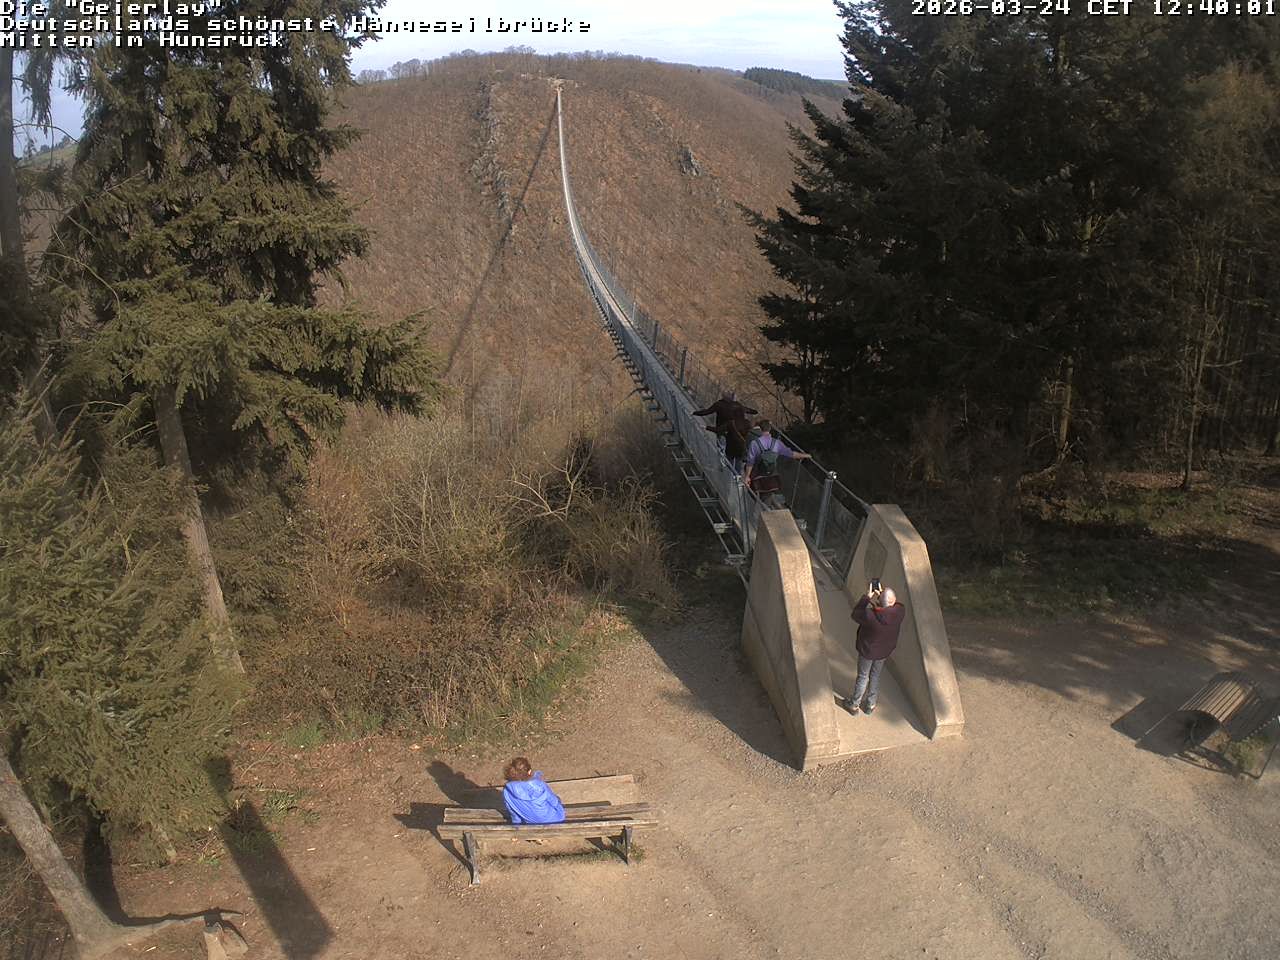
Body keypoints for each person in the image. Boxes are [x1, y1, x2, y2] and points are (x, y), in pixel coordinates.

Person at [843, 585, 905, 715]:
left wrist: (867, 598)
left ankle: (854, 704)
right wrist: (883, 596)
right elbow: (896, 603)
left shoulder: (870, 615)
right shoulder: (899, 612)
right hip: (883, 651)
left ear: (879, 601)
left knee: (863, 676)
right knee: (875, 675)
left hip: (868, 651)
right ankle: (870, 704)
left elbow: (855, 614)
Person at [743, 419, 811, 496]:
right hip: (771, 476)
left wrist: (747, 476)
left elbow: (750, 462)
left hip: (757, 476)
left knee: (752, 496)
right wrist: (805, 455)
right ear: (770, 429)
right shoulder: (776, 443)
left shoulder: (754, 443)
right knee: (767, 496)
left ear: (760, 429)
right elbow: (791, 454)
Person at [693, 391, 757, 458]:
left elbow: (707, 411)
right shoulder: (737, 405)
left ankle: (721, 458)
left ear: (723, 397)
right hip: (732, 431)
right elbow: (748, 410)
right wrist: (755, 412)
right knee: (732, 450)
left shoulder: (719, 404)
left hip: (722, 428)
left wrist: (695, 413)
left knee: (721, 447)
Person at [501, 757, 565, 824]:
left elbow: (513, 812)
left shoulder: (506, 791)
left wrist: (517, 824)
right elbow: (554, 801)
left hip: (531, 822)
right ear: (529, 771)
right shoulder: (539, 784)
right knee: (557, 799)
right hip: (556, 818)